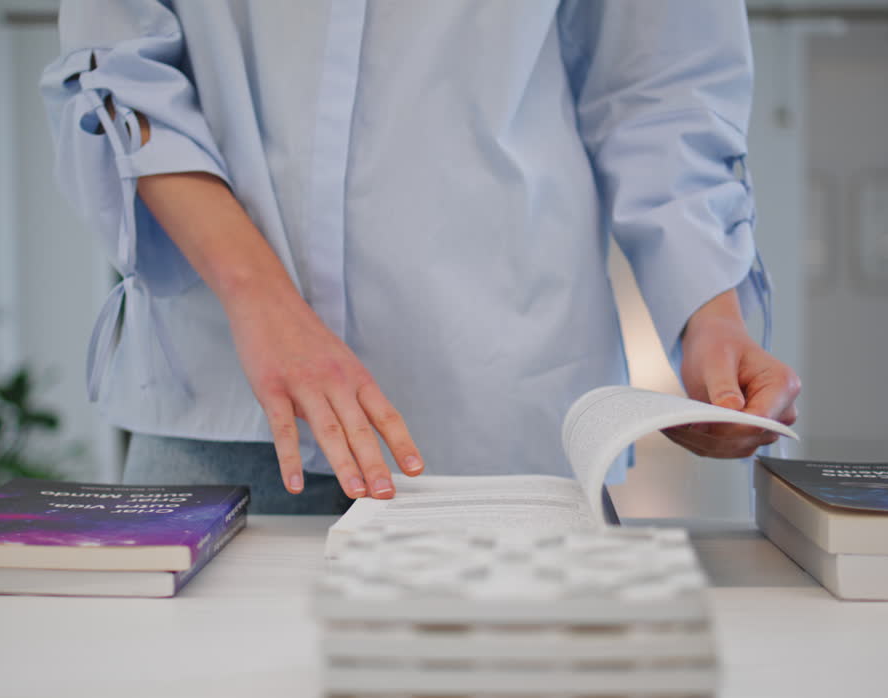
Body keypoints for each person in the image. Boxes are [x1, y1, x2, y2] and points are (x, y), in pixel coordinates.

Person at [40, 0, 801, 513]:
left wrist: (711, 313)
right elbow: (119, 67)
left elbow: (660, 83)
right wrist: (258, 298)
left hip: (507, 425)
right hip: (222, 414)